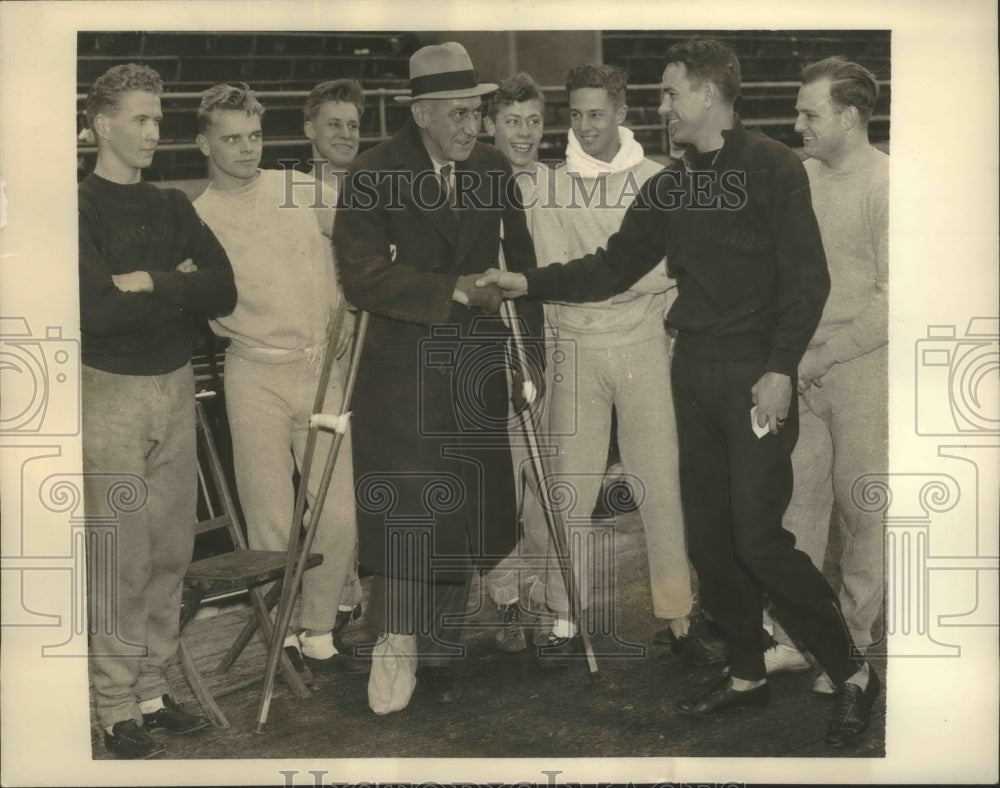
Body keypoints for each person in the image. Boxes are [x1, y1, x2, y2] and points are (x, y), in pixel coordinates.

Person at [477, 38, 880, 747]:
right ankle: (746, 673)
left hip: (754, 375)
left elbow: (807, 281)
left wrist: (781, 369)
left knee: (759, 540)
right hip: (690, 369)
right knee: (711, 539)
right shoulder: (672, 183)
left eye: (669, 94)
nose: (661, 109)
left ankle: (852, 670)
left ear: (708, 93)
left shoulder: (776, 168)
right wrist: (528, 282)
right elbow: (612, 264)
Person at [332, 42, 544, 711]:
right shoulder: (371, 174)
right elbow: (360, 275)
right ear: (421, 113)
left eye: (476, 114)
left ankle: (448, 628)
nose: (472, 128)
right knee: (406, 509)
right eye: (457, 115)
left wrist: (529, 360)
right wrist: (449, 288)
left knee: (474, 498)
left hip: (476, 362)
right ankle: (392, 643)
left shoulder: (489, 168)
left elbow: (524, 268)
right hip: (402, 370)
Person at [507, 63, 712, 667]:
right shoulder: (548, 186)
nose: (585, 125)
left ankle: (677, 617)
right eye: (574, 115)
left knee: (660, 486)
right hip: (574, 349)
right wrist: (615, 282)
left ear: (621, 114)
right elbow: (556, 277)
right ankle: (566, 616)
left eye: (597, 113)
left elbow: (663, 271)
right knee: (571, 489)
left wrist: (608, 280)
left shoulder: (658, 178)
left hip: (644, 347)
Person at [79, 63, 236, 758]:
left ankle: (151, 688)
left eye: (157, 118)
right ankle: (113, 709)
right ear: (101, 123)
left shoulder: (171, 206)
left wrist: (149, 281)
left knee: (171, 551)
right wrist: (180, 289)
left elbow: (225, 288)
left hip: (175, 386)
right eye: (140, 118)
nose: (152, 131)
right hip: (109, 393)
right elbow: (96, 313)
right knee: (122, 556)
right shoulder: (78, 209)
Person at [191, 84, 364, 675]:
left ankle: (320, 627)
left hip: (320, 369)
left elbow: (360, 239)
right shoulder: (198, 219)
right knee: (270, 518)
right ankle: (286, 631)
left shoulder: (296, 190)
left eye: (254, 136)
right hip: (252, 373)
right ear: (204, 143)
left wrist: (349, 303)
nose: (245, 149)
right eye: (231, 138)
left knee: (339, 511)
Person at [762, 57, 889, 695]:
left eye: (810, 112)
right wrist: (788, 357)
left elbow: (895, 299)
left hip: (861, 368)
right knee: (794, 505)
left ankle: (855, 640)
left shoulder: (886, 185)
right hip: (800, 368)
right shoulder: (801, 178)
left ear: (848, 115)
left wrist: (824, 355)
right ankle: (795, 638)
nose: (799, 123)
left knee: (859, 505)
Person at [480, 72, 560, 653]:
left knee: (547, 480)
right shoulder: (473, 184)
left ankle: (539, 591)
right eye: (513, 121)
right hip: (498, 347)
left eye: (534, 121)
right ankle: (505, 598)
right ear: (490, 125)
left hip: (554, 342)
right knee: (502, 481)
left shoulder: (559, 186)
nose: (525, 133)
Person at [301, 77, 367, 635]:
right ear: (310, 131)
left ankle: (354, 593)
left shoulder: (371, 187)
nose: (345, 134)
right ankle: (332, 601)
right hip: (319, 355)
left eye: (353, 124)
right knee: (324, 485)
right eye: (333, 125)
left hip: (372, 343)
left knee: (363, 476)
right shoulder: (295, 193)